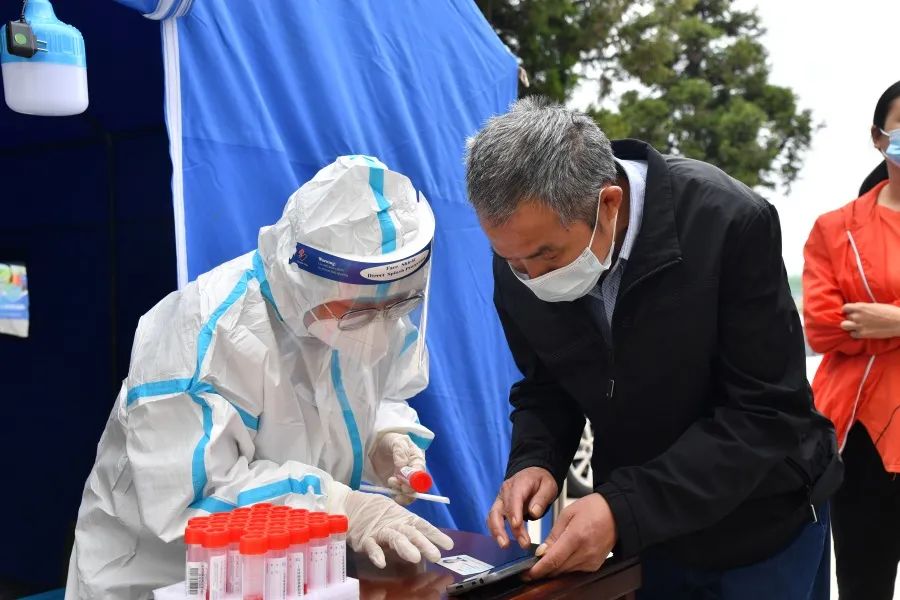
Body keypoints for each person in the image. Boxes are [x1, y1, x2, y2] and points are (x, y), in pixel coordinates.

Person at [464, 98, 842, 599]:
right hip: (650, 536)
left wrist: (621, 509)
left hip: (764, 521)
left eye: (547, 257)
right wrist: (536, 458)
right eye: (513, 262)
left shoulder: (728, 222)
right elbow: (547, 383)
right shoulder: (522, 253)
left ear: (609, 204)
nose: (532, 278)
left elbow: (765, 412)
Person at [65, 156, 453, 599]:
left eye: (400, 305)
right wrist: (338, 503)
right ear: (307, 280)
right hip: (164, 575)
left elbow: (378, 393)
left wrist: (386, 439)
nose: (382, 328)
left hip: (292, 569)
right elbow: (192, 495)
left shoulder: (365, 306)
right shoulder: (203, 334)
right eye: (361, 312)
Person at [803, 80, 900, 600]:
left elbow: (856, 325)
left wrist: (893, 321)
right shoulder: (835, 229)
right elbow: (822, 327)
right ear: (879, 136)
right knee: (864, 582)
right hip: (860, 435)